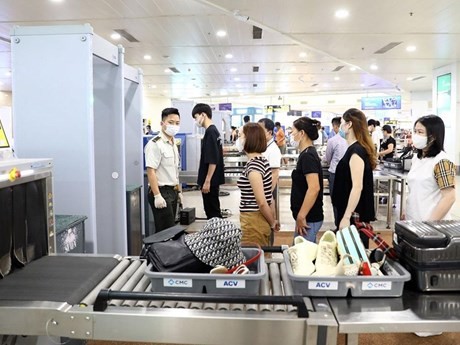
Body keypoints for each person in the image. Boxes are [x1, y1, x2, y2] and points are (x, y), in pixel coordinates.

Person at [333, 108, 376, 248]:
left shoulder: (356, 152)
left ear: (349, 124)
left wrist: (346, 217)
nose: (340, 127)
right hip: (350, 211)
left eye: (342, 123)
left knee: (354, 257)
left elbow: (357, 187)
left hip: (353, 215)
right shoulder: (355, 149)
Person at [405, 115, 456, 222]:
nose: (416, 135)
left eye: (420, 132)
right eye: (415, 131)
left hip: (431, 226)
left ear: (433, 137)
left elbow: (449, 197)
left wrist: (429, 223)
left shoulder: (442, 161)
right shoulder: (417, 158)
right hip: (413, 221)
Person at [237, 123, 279, 245]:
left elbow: (262, 202)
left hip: (254, 221)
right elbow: (269, 196)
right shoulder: (262, 160)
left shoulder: (254, 166)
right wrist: (273, 219)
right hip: (257, 220)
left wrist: (272, 223)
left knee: (254, 260)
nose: (239, 140)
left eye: (240, 136)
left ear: (249, 139)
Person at [144, 108, 182, 232]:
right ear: (162, 124)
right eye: (171, 122)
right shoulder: (155, 144)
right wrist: (157, 195)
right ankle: (159, 251)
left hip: (172, 191)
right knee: (165, 232)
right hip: (161, 191)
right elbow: (151, 171)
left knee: (169, 229)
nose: (174, 126)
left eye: (177, 123)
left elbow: (174, 171)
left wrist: (179, 190)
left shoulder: (173, 143)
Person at [290, 117, 324, 243]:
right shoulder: (306, 153)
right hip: (307, 217)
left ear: (302, 133)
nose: (291, 135)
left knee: (301, 258)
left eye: (293, 132)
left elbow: (314, 188)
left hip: (309, 218)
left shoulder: (308, 156)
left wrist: (301, 215)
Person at [192, 103, 225, 219]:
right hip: (213, 180)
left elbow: (213, 160)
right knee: (213, 208)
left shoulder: (210, 132)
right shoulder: (214, 131)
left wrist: (207, 181)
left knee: (212, 212)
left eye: (196, 117)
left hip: (210, 181)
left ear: (203, 114)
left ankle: (217, 235)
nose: (196, 121)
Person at [258, 118, 282, 243]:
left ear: (269, 132)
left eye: (261, 130)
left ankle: (268, 254)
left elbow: (274, 174)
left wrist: (265, 195)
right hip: (261, 193)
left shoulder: (273, 150)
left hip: (267, 193)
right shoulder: (264, 147)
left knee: (267, 226)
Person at [324, 117, 348, 227]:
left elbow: (328, 158)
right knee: (346, 200)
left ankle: (338, 225)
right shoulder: (352, 141)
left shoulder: (332, 141)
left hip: (335, 173)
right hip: (348, 174)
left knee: (336, 201)